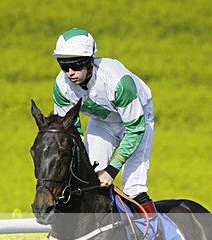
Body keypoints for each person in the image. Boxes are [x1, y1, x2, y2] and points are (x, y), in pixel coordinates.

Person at [51, 28, 157, 216]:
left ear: (89, 61)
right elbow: (70, 130)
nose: (69, 73)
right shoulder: (61, 87)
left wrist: (112, 169)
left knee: (134, 189)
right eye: (63, 66)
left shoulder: (118, 82)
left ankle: (158, 239)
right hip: (102, 121)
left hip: (137, 122)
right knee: (89, 181)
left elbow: (135, 129)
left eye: (76, 65)